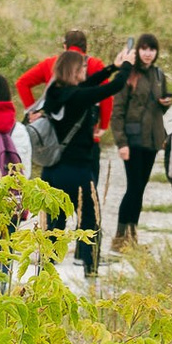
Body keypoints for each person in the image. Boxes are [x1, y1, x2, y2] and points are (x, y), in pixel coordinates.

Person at [39, 47, 134, 279]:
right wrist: (126, 68)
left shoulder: (55, 91)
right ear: (73, 70)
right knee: (90, 219)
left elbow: (88, 84)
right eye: (82, 67)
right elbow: (113, 87)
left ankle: (46, 269)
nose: (85, 70)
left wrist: (112, 67)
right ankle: (90, 270)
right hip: (77, 169)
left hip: (52, 170)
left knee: (54, 222)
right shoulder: (78, 97)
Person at [112, 34, 171, 249]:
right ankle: (120, 238)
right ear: (137, 50)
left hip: (152, 141)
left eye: (152, 49)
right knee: (133, 188)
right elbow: (117, 111)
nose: (148, 53)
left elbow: (158, 108)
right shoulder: (128, 74)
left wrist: (165, 103)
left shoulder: (158, 74)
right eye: (144, 49)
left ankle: (131, 237)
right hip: (133, 139)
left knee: (140, 189)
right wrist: (121, 143)